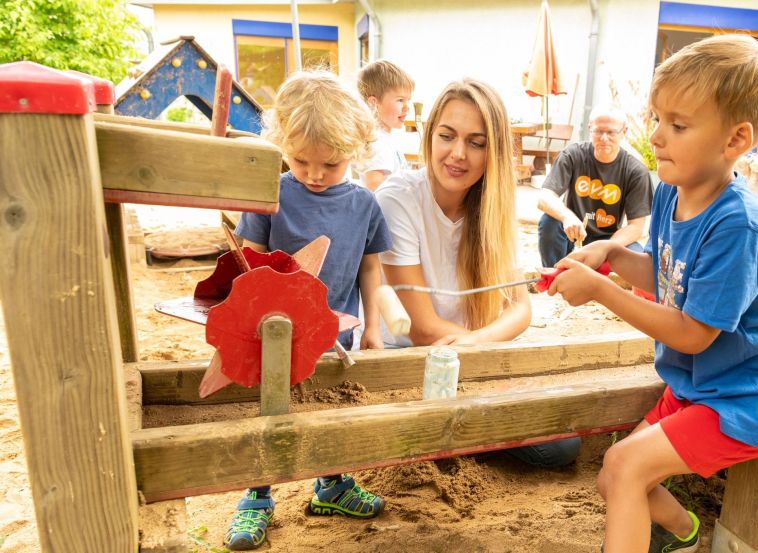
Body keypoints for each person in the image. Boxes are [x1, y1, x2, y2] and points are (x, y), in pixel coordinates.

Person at [547, 35, 758, 552]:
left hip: (751, 397)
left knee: (623, 466)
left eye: (678, 125)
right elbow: (667, 275)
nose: (657, 137)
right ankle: (686, 534)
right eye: (656, 119)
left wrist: (601, 289)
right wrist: (609, 255)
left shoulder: (740, 225)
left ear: (735, 140)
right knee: (614, 475)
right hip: (699, 388)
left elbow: (692, 333)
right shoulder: (670, 190)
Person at [375, 78, 581, 469]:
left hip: (467, 355)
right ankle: (448, 438)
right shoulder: (397, 198)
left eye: (477, 142)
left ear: (494, 151)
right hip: (405, 361)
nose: (458, 154)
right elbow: (421, 329)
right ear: (429, 135)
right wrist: (481, 348)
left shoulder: (491, 205)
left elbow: (520, 309)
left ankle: (453, 438)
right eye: (447, 136)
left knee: (563, 445)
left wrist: (475, 345)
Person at [225, 70, 391, 550]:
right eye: (300, 161)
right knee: (271, 411)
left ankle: (332, 484)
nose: (315, 175)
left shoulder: (365, 205)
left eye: (331, 164)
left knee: (330, 409)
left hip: (337, 333)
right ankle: (256, 497)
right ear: (281, 144)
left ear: (356, 151)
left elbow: (370, 270)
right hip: (271, 335)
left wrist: (374, 330)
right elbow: (248, 264)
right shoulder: (270, 194)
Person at [536, 105, 653, 268]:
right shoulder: (572, 155)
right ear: (590, 129)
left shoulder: (636, 171)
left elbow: (636, 227)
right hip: (573, 233)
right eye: (598, 131)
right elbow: (544, 197)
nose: (604, 138)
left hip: (610, 238)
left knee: (640, 259)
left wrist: (604, 248)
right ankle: (555, 275)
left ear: (624, 132)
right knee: (549, 221)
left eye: (611, 132)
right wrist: (567, 217)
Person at [355, 59, 415, 191]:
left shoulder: (385, 137)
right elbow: (374, 186)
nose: (407, 107)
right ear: (373, 104)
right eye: (400, 100)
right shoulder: (377, 142)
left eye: (408, 100)